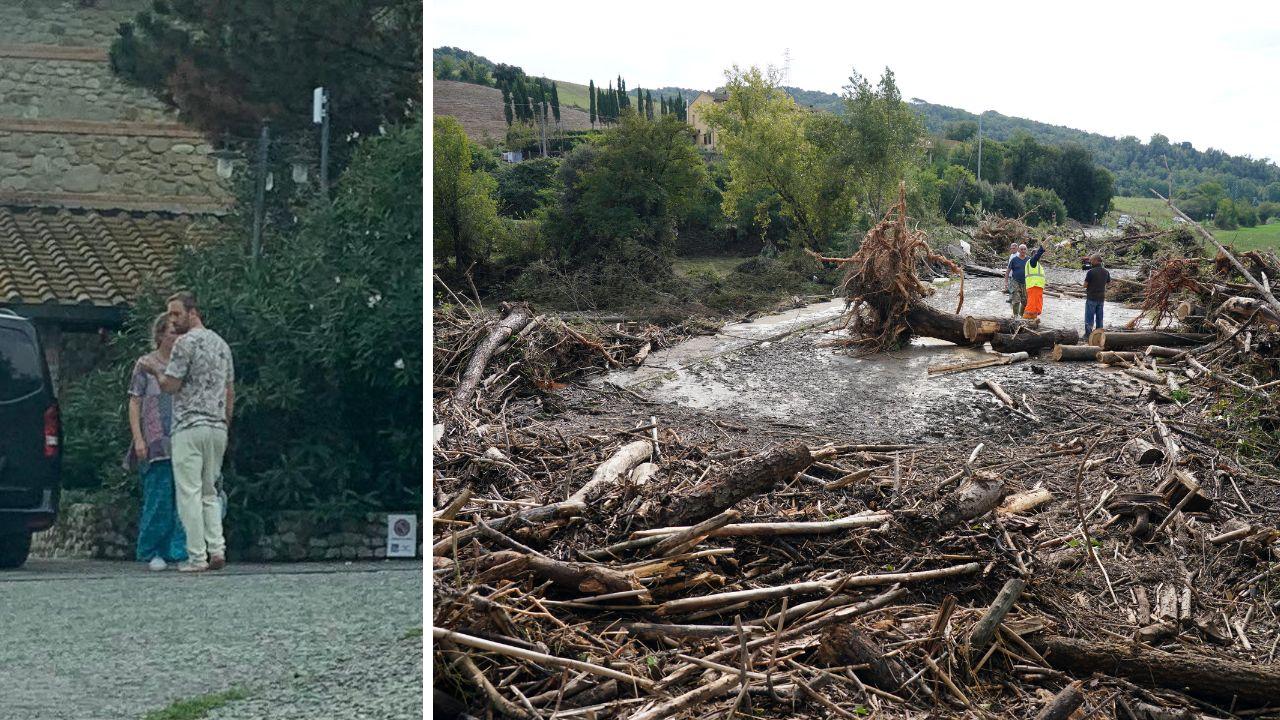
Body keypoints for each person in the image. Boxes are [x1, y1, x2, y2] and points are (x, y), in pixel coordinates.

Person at [141, 292, 235, 573]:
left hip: (188, 426)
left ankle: (197, 556)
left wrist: (154, 371)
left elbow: (170, 385)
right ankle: (217, 548)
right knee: (210, 491)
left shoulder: (185, 343)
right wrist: (225, 423)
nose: (172, 319)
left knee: (189, 492)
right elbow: (230, 391)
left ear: (193, 312)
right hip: (217, 426)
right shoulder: (222, 345)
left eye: (175, 314)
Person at [126, 313, 187, 571]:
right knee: (158, 495)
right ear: (161, 334)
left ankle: (178, 549)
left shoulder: (184, 364)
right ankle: (151, 549)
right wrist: (138, 438)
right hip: (155, 439)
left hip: (182, 436)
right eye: (173, 332)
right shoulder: (145, 364)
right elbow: (134, 400)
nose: (177, 338)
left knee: (182, 496)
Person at [1083, 254, 1111, 335]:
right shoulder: (1106, 272)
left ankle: (1088, 334)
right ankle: (1099, 334)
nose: (1090, 262)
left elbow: (1085, 285)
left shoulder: (1091, 272)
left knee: (1089, 318)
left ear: (1095, 261)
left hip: (1091, 297)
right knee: (1100, 318)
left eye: (1091, 260)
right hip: (1101, 298)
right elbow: (1109, 283)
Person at [1021, 244, 1047, 320]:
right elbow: (1037, 256)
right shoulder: (1032, 262)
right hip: (1033, 286)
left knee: (1036, 305)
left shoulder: (1036, 264)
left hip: (1037, 286)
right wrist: (1042, 248)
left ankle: (1033, 320)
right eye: (1036, 254)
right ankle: (1024, 321)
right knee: (1031, 305)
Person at [1007, 244, 1029, 317]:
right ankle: (1015, 316)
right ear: (1018, 250)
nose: (1023, 251)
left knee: (1025, 301)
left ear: (1026, 250)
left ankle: (1021, 315)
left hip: (1025, 283)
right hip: (1015, 281)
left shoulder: (1028, 260)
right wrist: (1006, 282)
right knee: (1016, 300)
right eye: (1021, 249)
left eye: (1024, 249)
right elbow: (1008, 271)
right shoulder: (1014, 259)